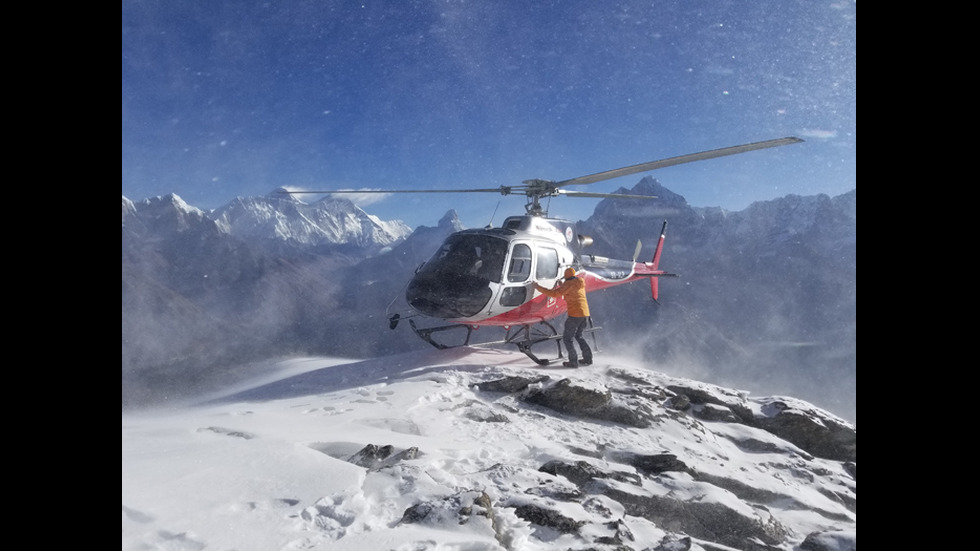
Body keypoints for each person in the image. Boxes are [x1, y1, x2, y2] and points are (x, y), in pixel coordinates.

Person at [533, 267, 593, 367]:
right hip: (585, 314)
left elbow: (554, 294)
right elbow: (570, 289)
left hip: (575, 315)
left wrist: (538, 287)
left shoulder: (567, 285)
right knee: (579, 336)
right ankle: (588, 359)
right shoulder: (580, 282)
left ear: (566, 277)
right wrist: (562, 285)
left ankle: (573, 362)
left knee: (567, 339)